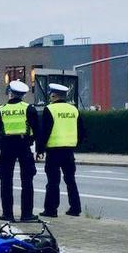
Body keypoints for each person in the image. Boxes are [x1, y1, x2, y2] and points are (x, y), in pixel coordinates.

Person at [0, 80, 39, 222]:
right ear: (23, 95)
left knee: (5, 180)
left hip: (7, 146)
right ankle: (27, 214)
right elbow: (37, 130)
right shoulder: (29, 108)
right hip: (24, 145)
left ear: (10, 93)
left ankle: (7, 214)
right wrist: (39, 149)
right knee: (27, 180)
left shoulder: (2, 109)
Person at [36, 83, 84, 217]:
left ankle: (51, 210)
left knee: (53, 182)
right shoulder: (73, 109)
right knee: (70, 180)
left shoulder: (50, 109)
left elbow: (45, 131)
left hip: (54, 150)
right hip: (69, 150)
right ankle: (75, 208)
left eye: (51, 94)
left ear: (53, 95)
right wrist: (75, 143)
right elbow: (81, 130)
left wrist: (40, 150)